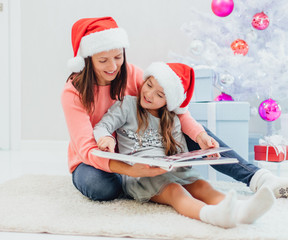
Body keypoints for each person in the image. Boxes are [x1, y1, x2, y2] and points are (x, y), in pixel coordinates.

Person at [61, 16, 288, 202]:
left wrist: (201, 136)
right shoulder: (73, 93)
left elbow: (176, 108)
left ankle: (261, 179)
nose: (113, 66)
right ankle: (134, 185)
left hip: (144, 147)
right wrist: (128, 169)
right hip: (100, 157)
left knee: (198, 136)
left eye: (118, 57)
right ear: (87, 59)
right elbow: (86, 149)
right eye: (103, 60)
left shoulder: (132, 74)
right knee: (100, 188)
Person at [93, 62, 275, 228]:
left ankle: (243, 211)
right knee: (175, 191)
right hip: (141, 174)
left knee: (203, 186)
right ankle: (210, 215)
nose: (149, 94)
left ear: (168, 101)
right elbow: (103, 126)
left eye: (160, 94)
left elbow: (180, 153)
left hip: (169, 169)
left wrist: (185, 160)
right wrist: (106, 138)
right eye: (149, 85)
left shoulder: (172, 119)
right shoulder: (127, 105)